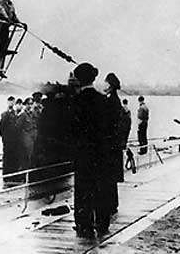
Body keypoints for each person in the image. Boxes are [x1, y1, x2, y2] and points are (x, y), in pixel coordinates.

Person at [71, 63, 111, 238]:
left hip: (82, 154)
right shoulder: (103, 100)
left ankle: (84, 224)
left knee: (83, 189)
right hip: (100, 153)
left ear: (79, 79)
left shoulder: (76, 101)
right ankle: (102, 222)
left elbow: (71, 130)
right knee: (100, 187)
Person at [103, 73, 123, 214]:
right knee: (111, 177)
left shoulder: (111, 101)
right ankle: (112, 204)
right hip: (114, 143)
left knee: (108, 176)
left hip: (109, 144)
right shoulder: (116, 100)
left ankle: (110, 204)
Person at [0, 96, 19, 177]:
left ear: (14, 103)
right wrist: (3, 137)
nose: (11, 103)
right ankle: (6, 174)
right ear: (7, 102)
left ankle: (14, 174)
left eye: (12, 101)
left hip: (15, 139)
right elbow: (0, 126)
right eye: (10, 101)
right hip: (7, 139)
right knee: (7, 156)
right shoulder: (4, 114)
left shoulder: (16, 113)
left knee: (15, 156)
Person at [16, 97, 37, 171]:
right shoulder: (23, 115)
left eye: (31, 104)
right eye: (28, 104)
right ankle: (25, 175)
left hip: (33, 139)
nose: (30, 105)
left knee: (32, 157)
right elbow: (17, 127)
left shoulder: (33, 114)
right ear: (25, 105)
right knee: (26, 157)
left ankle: (31, 175)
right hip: (26, 140)